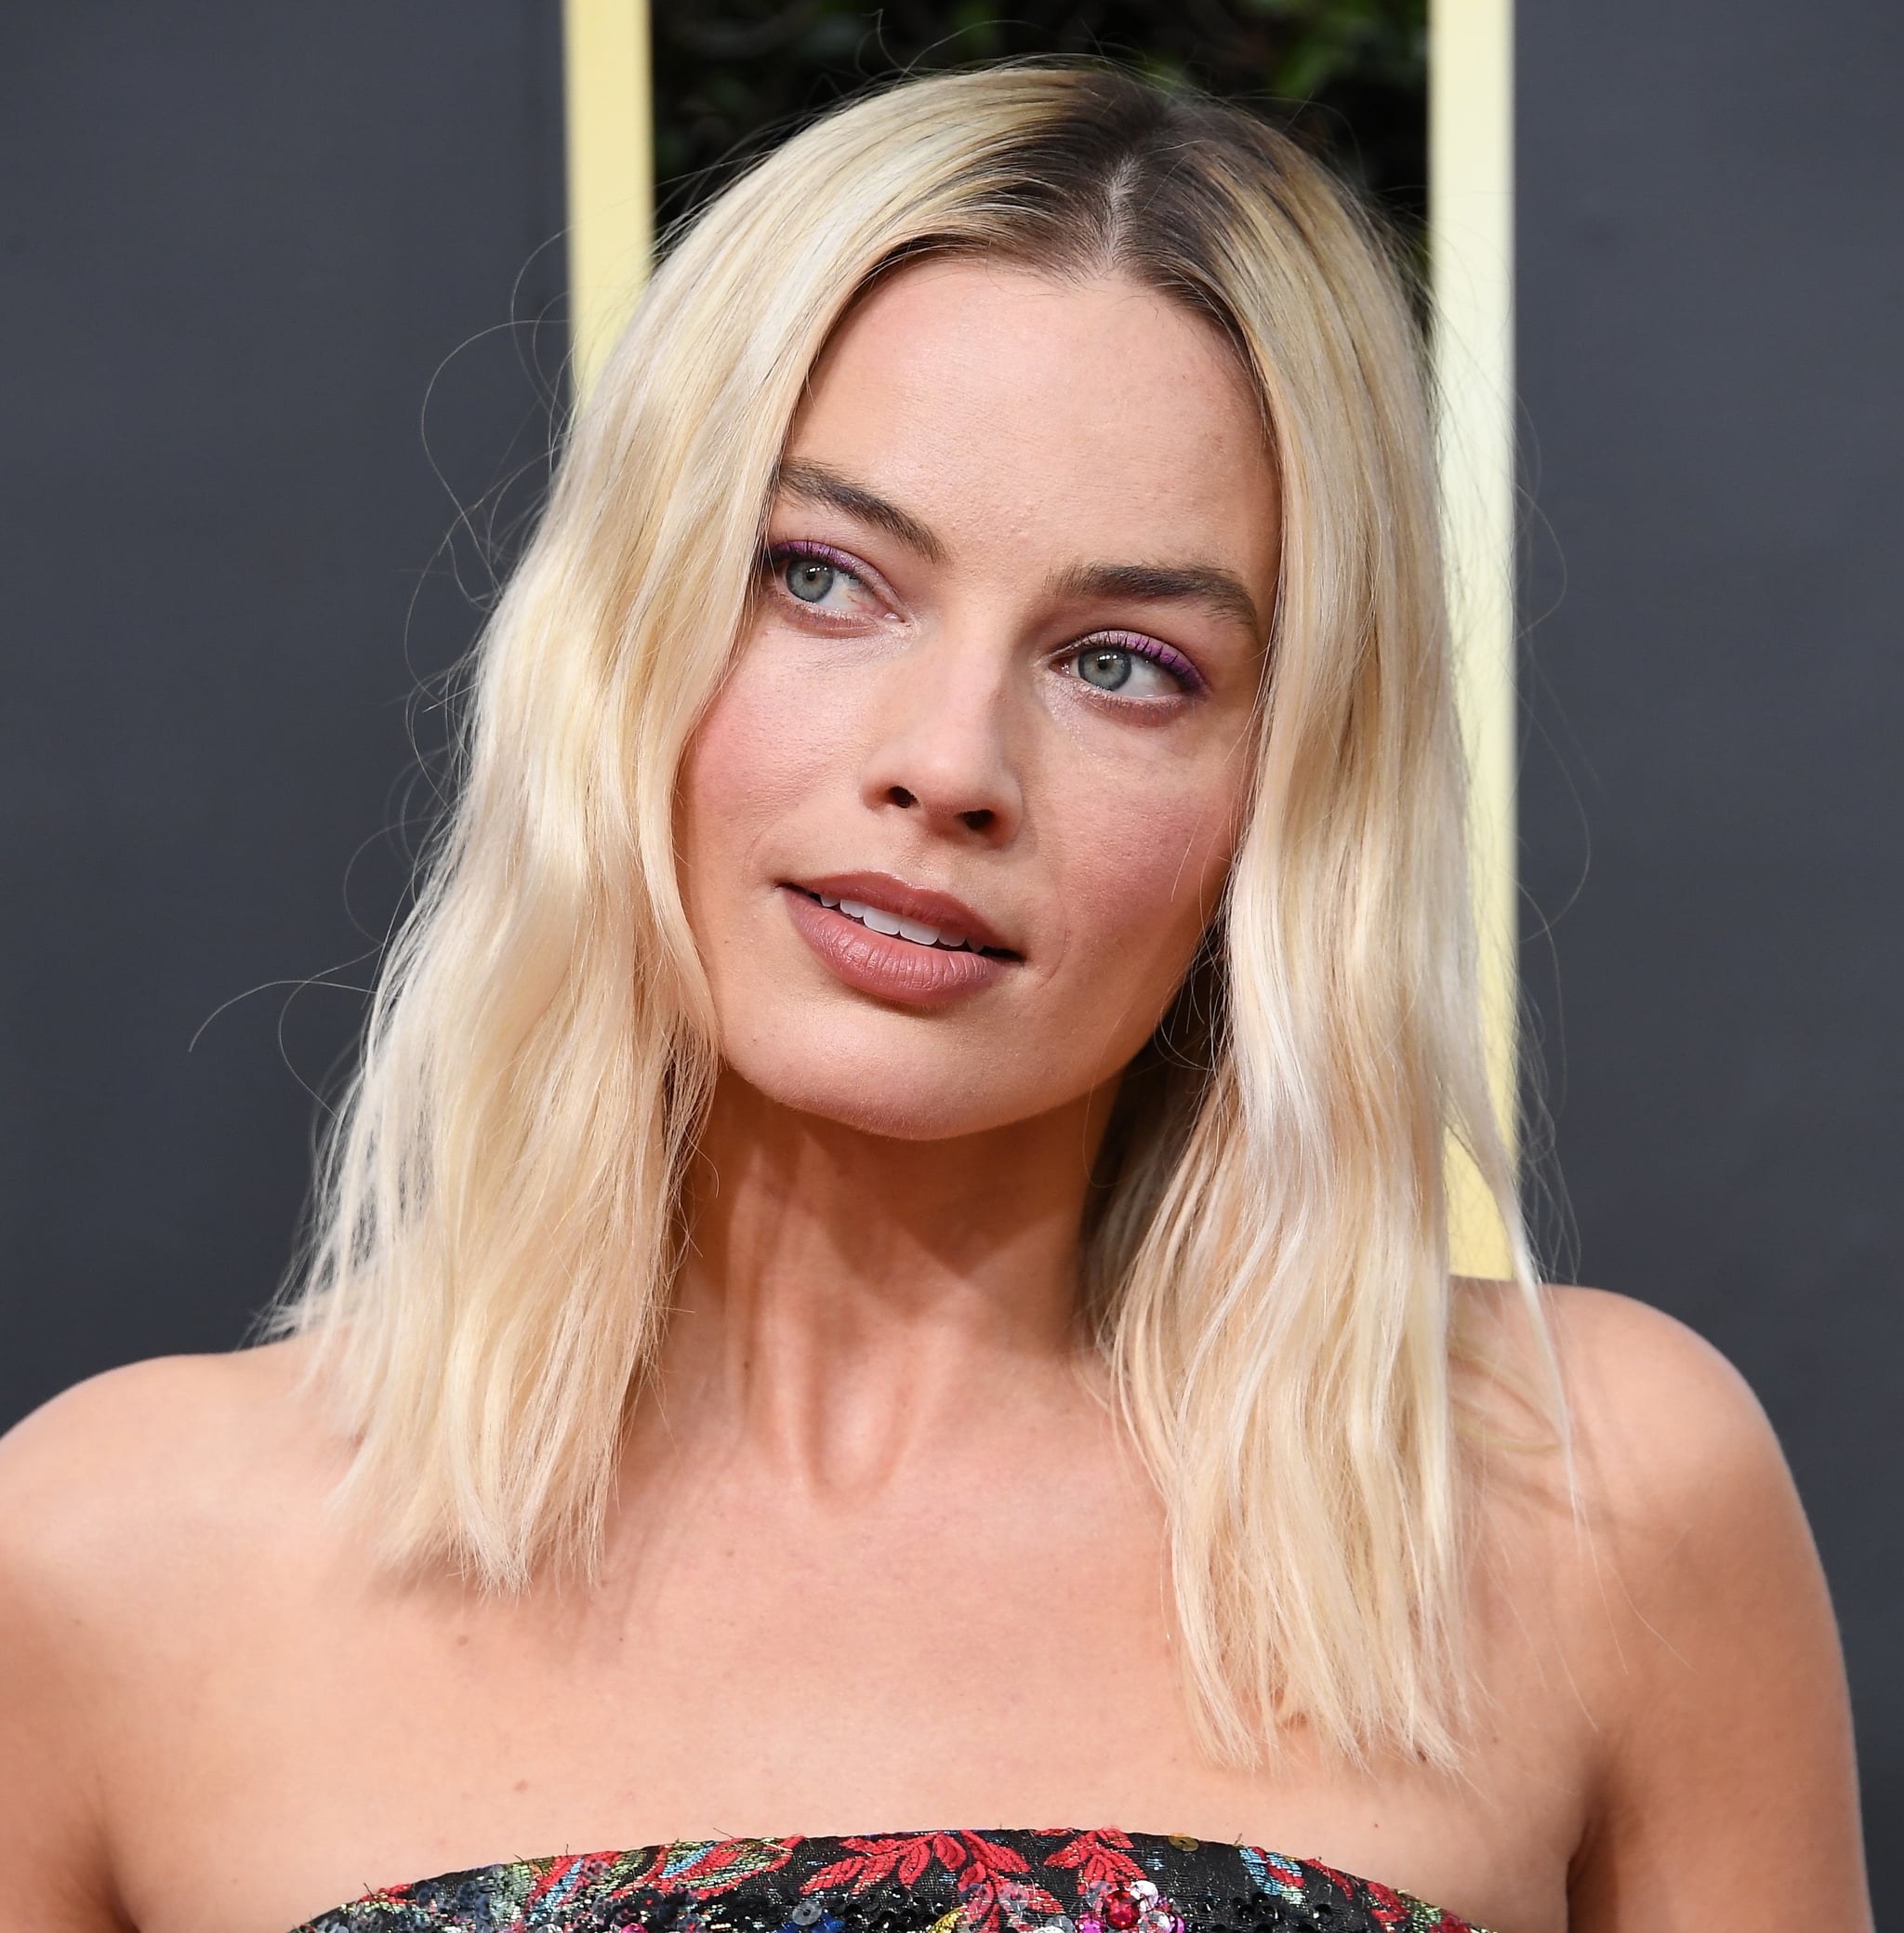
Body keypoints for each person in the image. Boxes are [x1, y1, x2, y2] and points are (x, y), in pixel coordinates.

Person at [0, 63, 1868, 1933]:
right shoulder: (101, 1556)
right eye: (821, 577)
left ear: (1277, 802)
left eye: (1126, 663)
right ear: (621, 631)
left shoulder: (1590, 1499)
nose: (948, 760)